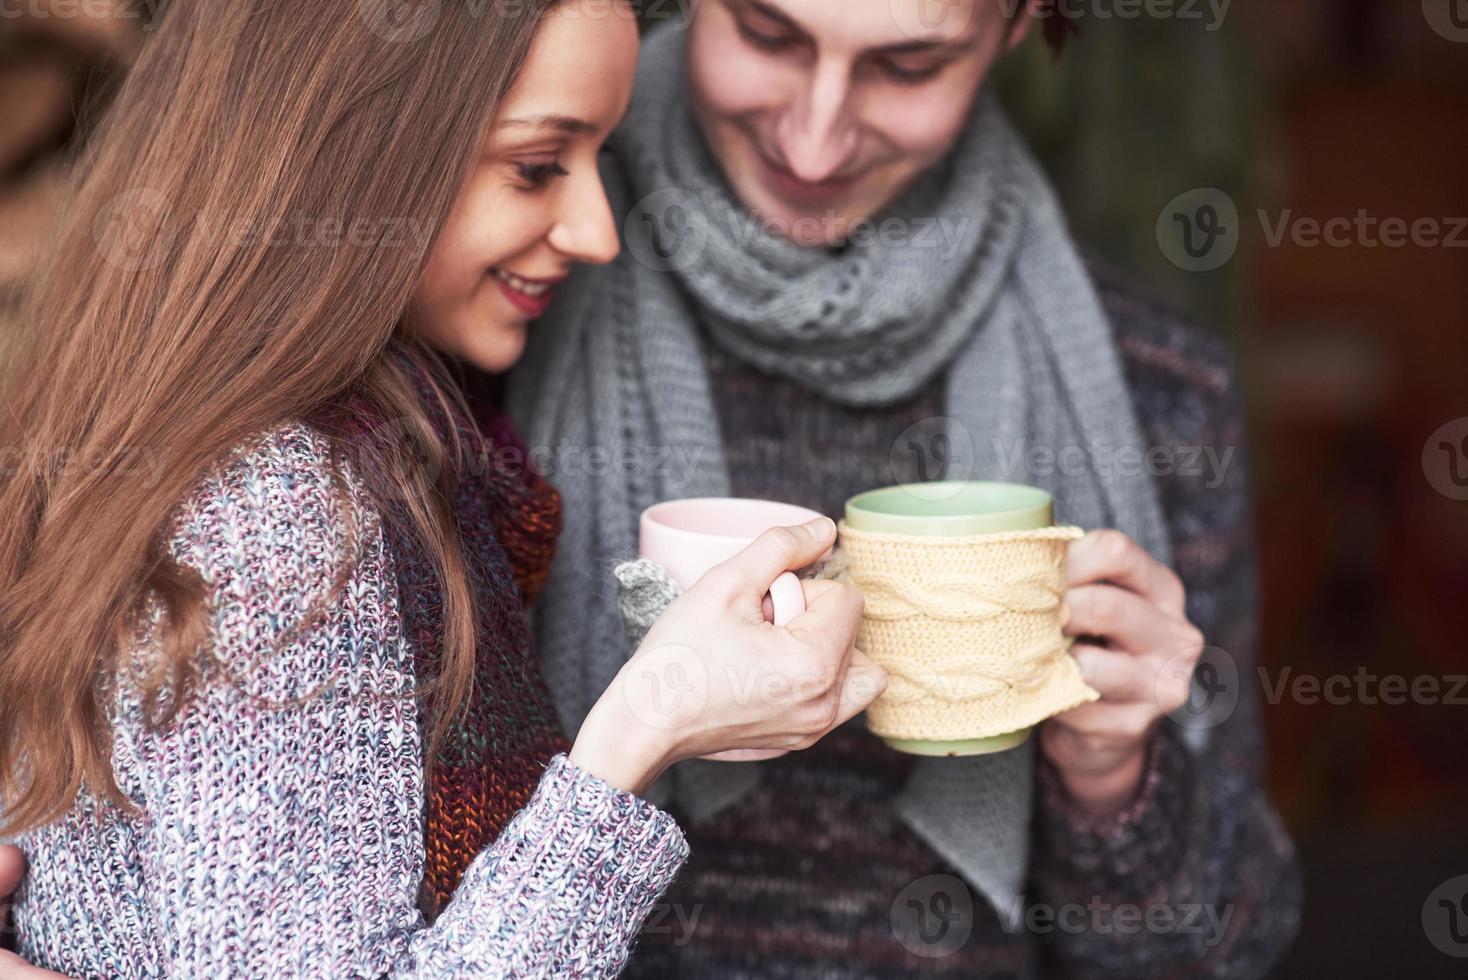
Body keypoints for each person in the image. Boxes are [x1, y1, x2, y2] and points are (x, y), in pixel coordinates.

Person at [0, 0, 885, 976]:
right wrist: (643, 729)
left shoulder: (163, 427)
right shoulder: (280, 507)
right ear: (351, 155)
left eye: (599, 158)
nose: (598, 232)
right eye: (536, 165)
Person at [505, 0, 1302, 976]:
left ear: (1013, 32)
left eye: (909, 64)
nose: (814, 136)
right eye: (767, 35)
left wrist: (1117, 779)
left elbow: (1232, 947)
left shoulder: (1150, 386)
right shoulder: (498, 309)